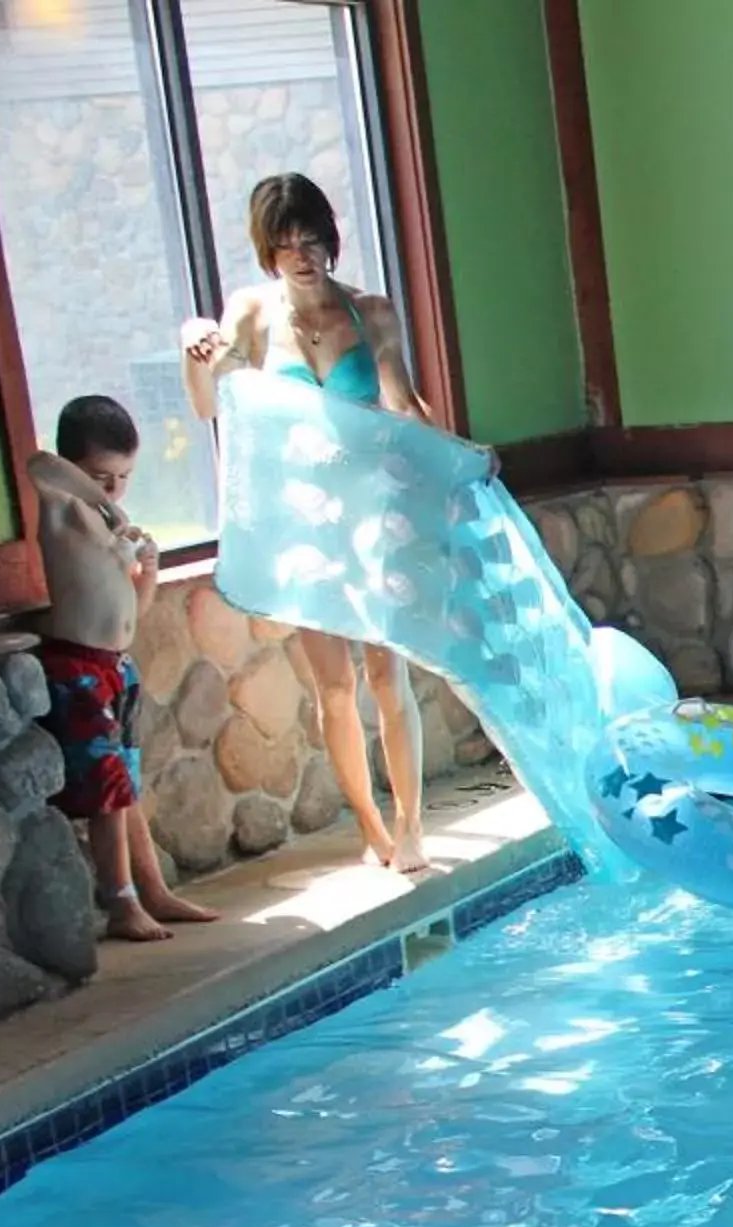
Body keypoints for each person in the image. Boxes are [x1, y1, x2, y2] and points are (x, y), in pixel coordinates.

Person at [180, 172, 435, 874]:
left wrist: (456, 455)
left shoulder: (370, 311)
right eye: (287, 243)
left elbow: (403, 402)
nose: (303, 255)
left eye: (313, 239)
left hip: (371, 514)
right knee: (335, 686)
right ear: (268, 250)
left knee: (388, 674)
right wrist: (192, 354)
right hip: (305, 523)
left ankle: (412, 827)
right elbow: (209, 404)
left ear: (331, 238)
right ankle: (374, 830)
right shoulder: (253, 316)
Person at [26, 395, 218, 941]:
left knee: (127, 787)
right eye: (100, 476)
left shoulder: (100, 519)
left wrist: (149, 569)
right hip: (77, 669)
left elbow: (133, 612)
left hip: (114, 665)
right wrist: (114, 511)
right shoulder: (63, 505)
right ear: (76, 470)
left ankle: (153, 890)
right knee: (107, 795)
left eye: (124, 477)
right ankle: (121, 903)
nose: (113, 488)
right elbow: (39, 463)